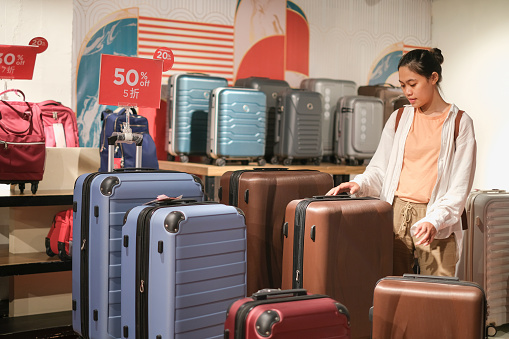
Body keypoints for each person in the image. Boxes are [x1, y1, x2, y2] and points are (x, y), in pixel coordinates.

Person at [327, 48, 476, 277]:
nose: (407, 91)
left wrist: (435, 220)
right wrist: (360, 184)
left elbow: (459, 188)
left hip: (435, 220)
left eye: (412, 83)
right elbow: (380, 168)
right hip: (396, 216)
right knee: (393, 292)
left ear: (433, 78)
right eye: (402, 84)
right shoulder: (399, 117)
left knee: (436, 298)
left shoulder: (459, 122)